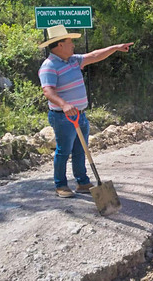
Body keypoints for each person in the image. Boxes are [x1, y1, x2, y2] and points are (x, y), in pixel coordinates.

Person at [38, 25, 133, 198]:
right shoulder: (49, 66)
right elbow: (48, 91)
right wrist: (64, 104)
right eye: (70, 42)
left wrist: (116, 48)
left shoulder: (73, 60)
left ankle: (82, 182)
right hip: (63, 116)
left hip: (80, 115)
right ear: (59, 45)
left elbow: (95, 55)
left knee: (81, 149)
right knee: (63, 150)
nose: (73, 45)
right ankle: (61, 185)